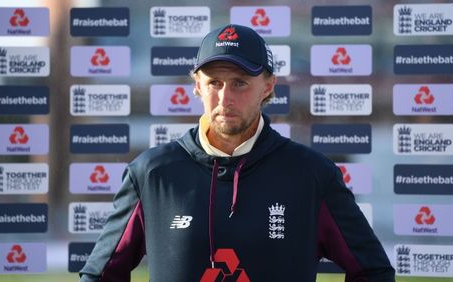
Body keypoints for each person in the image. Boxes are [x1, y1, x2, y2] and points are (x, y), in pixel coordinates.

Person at [79, 24, 395, 281]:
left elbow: (373, 271)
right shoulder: (151, 173)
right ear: (197, 86)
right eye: (214, 82)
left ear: (268, 86)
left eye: (240, 83)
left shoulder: (312, 174)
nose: (225, 97)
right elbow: (100, 275)